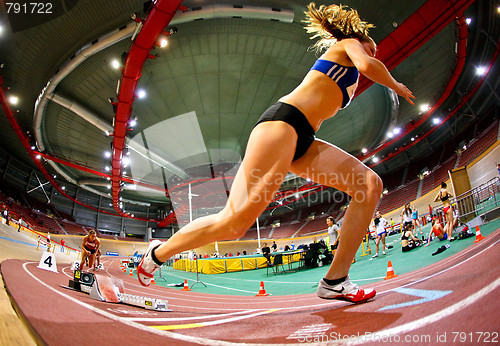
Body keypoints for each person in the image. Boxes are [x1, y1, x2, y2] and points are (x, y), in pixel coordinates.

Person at [137, 2, 414, 304]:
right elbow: (367, 65)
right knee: (234, 222)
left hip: (303, 138)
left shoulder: (349, 71)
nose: (372, 54)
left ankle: (335, 279)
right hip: (282, 124)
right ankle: (158, 253)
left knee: (368, 185)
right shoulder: (348, 46)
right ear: (357, 39)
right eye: (370, 47)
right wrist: (395, 84)